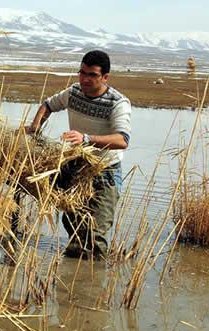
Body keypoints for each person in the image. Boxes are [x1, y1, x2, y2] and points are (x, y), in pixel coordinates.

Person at [26, 50, 131, 260]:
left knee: (96, 232)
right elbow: (48, 105)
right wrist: (35, 127)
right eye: (82, 73)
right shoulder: (74, 92)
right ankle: (73, 279)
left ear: (105, 78)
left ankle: (96, 282)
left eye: (92, 75)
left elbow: (122, 140)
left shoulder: (117, 103)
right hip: (77, 167)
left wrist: (86, 138)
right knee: (73, 225)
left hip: (104, 172)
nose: (85, 79)